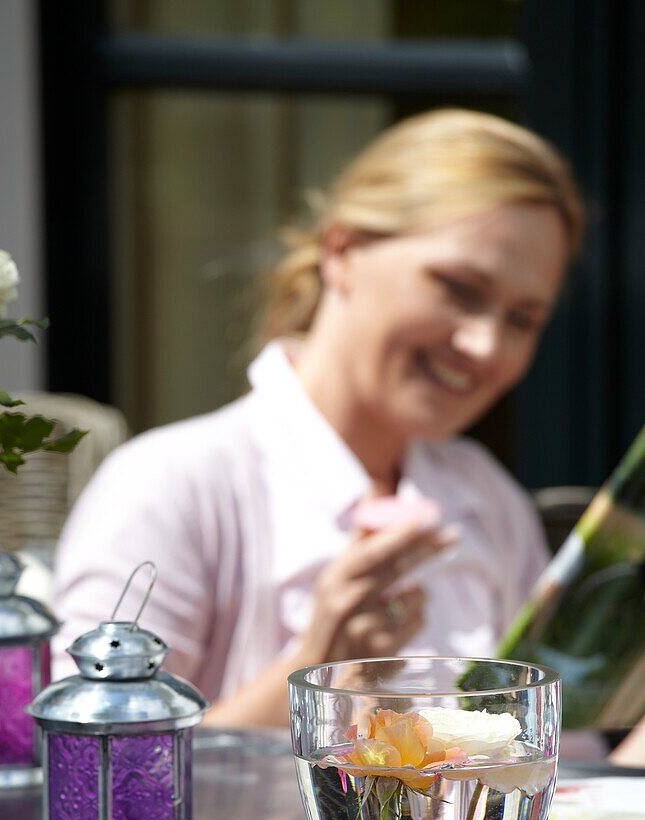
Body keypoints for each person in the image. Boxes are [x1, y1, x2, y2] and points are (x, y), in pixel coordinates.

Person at [54, 108, 584, 727]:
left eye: (522, 320)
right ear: (344, 250)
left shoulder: (488, 502)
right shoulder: (169, 485)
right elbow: (94, 780)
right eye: (460, 288)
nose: (486, 346)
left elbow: (568, 774)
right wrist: (318, 669)